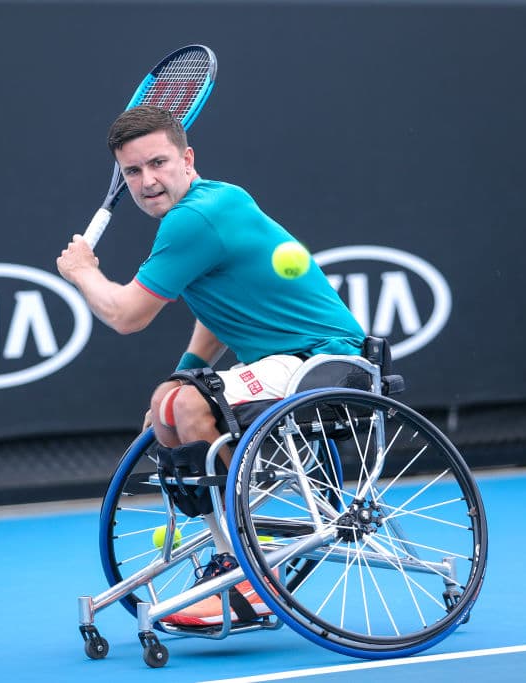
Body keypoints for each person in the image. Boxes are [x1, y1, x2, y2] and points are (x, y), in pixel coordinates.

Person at [57, 104, 364, 627]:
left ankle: (252, 565)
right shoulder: (216, 202)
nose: (148, 181)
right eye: (133, 171)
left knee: (180, 404)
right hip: (288, 361)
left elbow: (127, 316)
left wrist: (83, 272)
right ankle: (236, 551)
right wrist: (182, 376)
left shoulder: (193, 220)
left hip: (322, 363)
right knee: (169, 402)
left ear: (187, 158)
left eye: (158, 163)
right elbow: (223, 315)